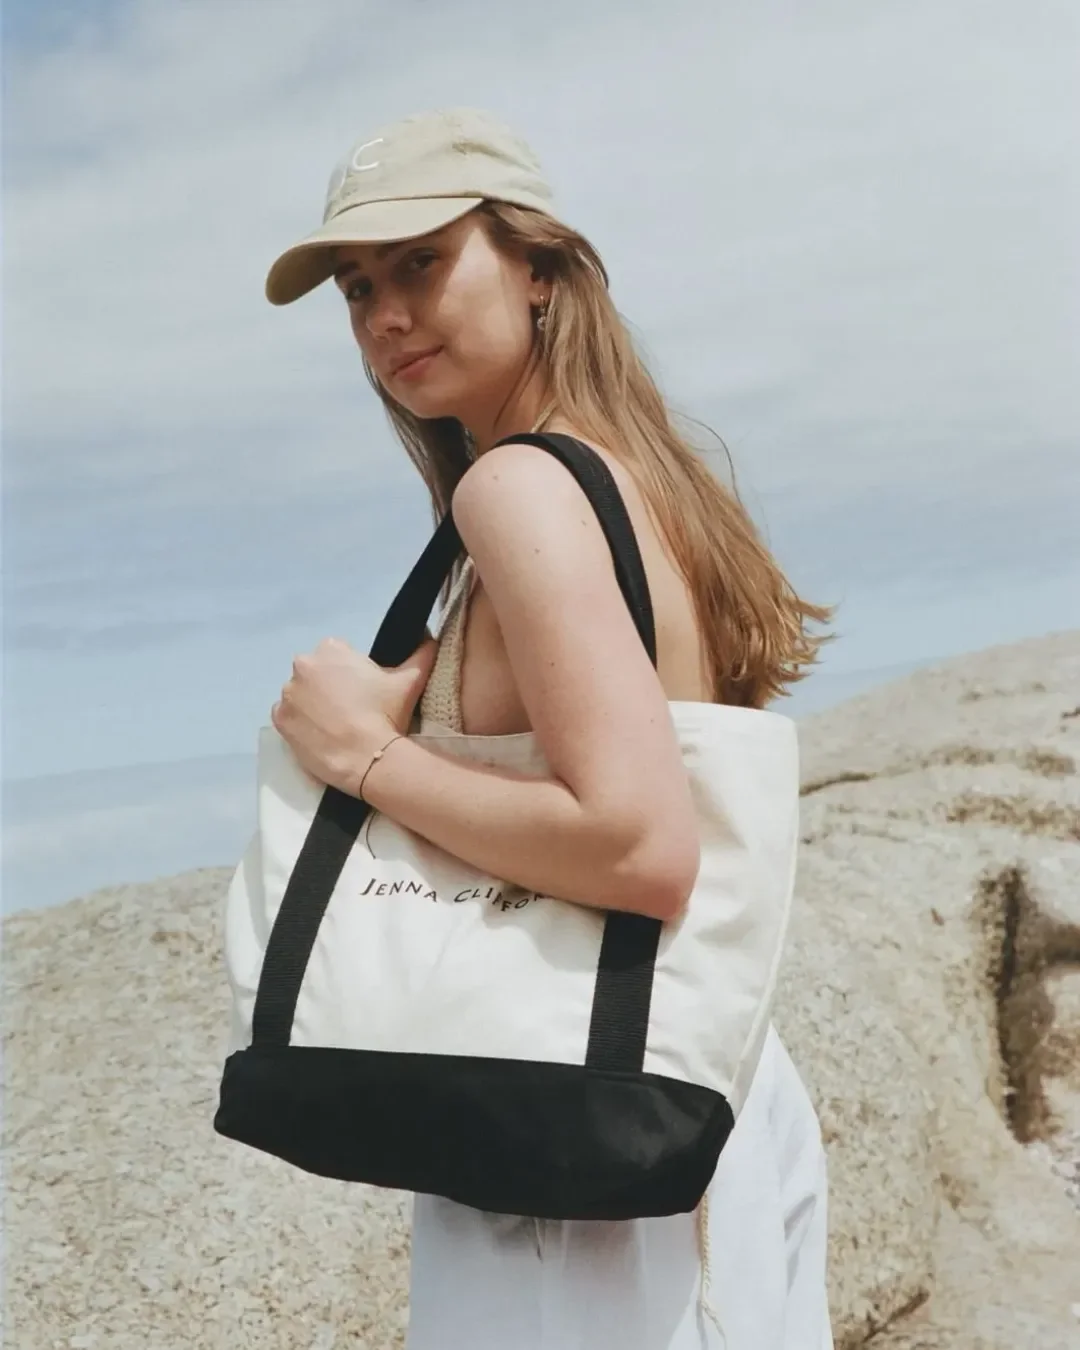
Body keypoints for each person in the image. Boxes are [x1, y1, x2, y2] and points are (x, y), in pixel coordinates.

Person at [265, 108, 835, 1350]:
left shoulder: (515, 486)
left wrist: (360, 755)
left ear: (538, 264)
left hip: (566, 1133)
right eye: (357, 288)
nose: (382, 317)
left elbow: (638, 846)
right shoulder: (636, 475)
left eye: (421, 261)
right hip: (701, 1082)